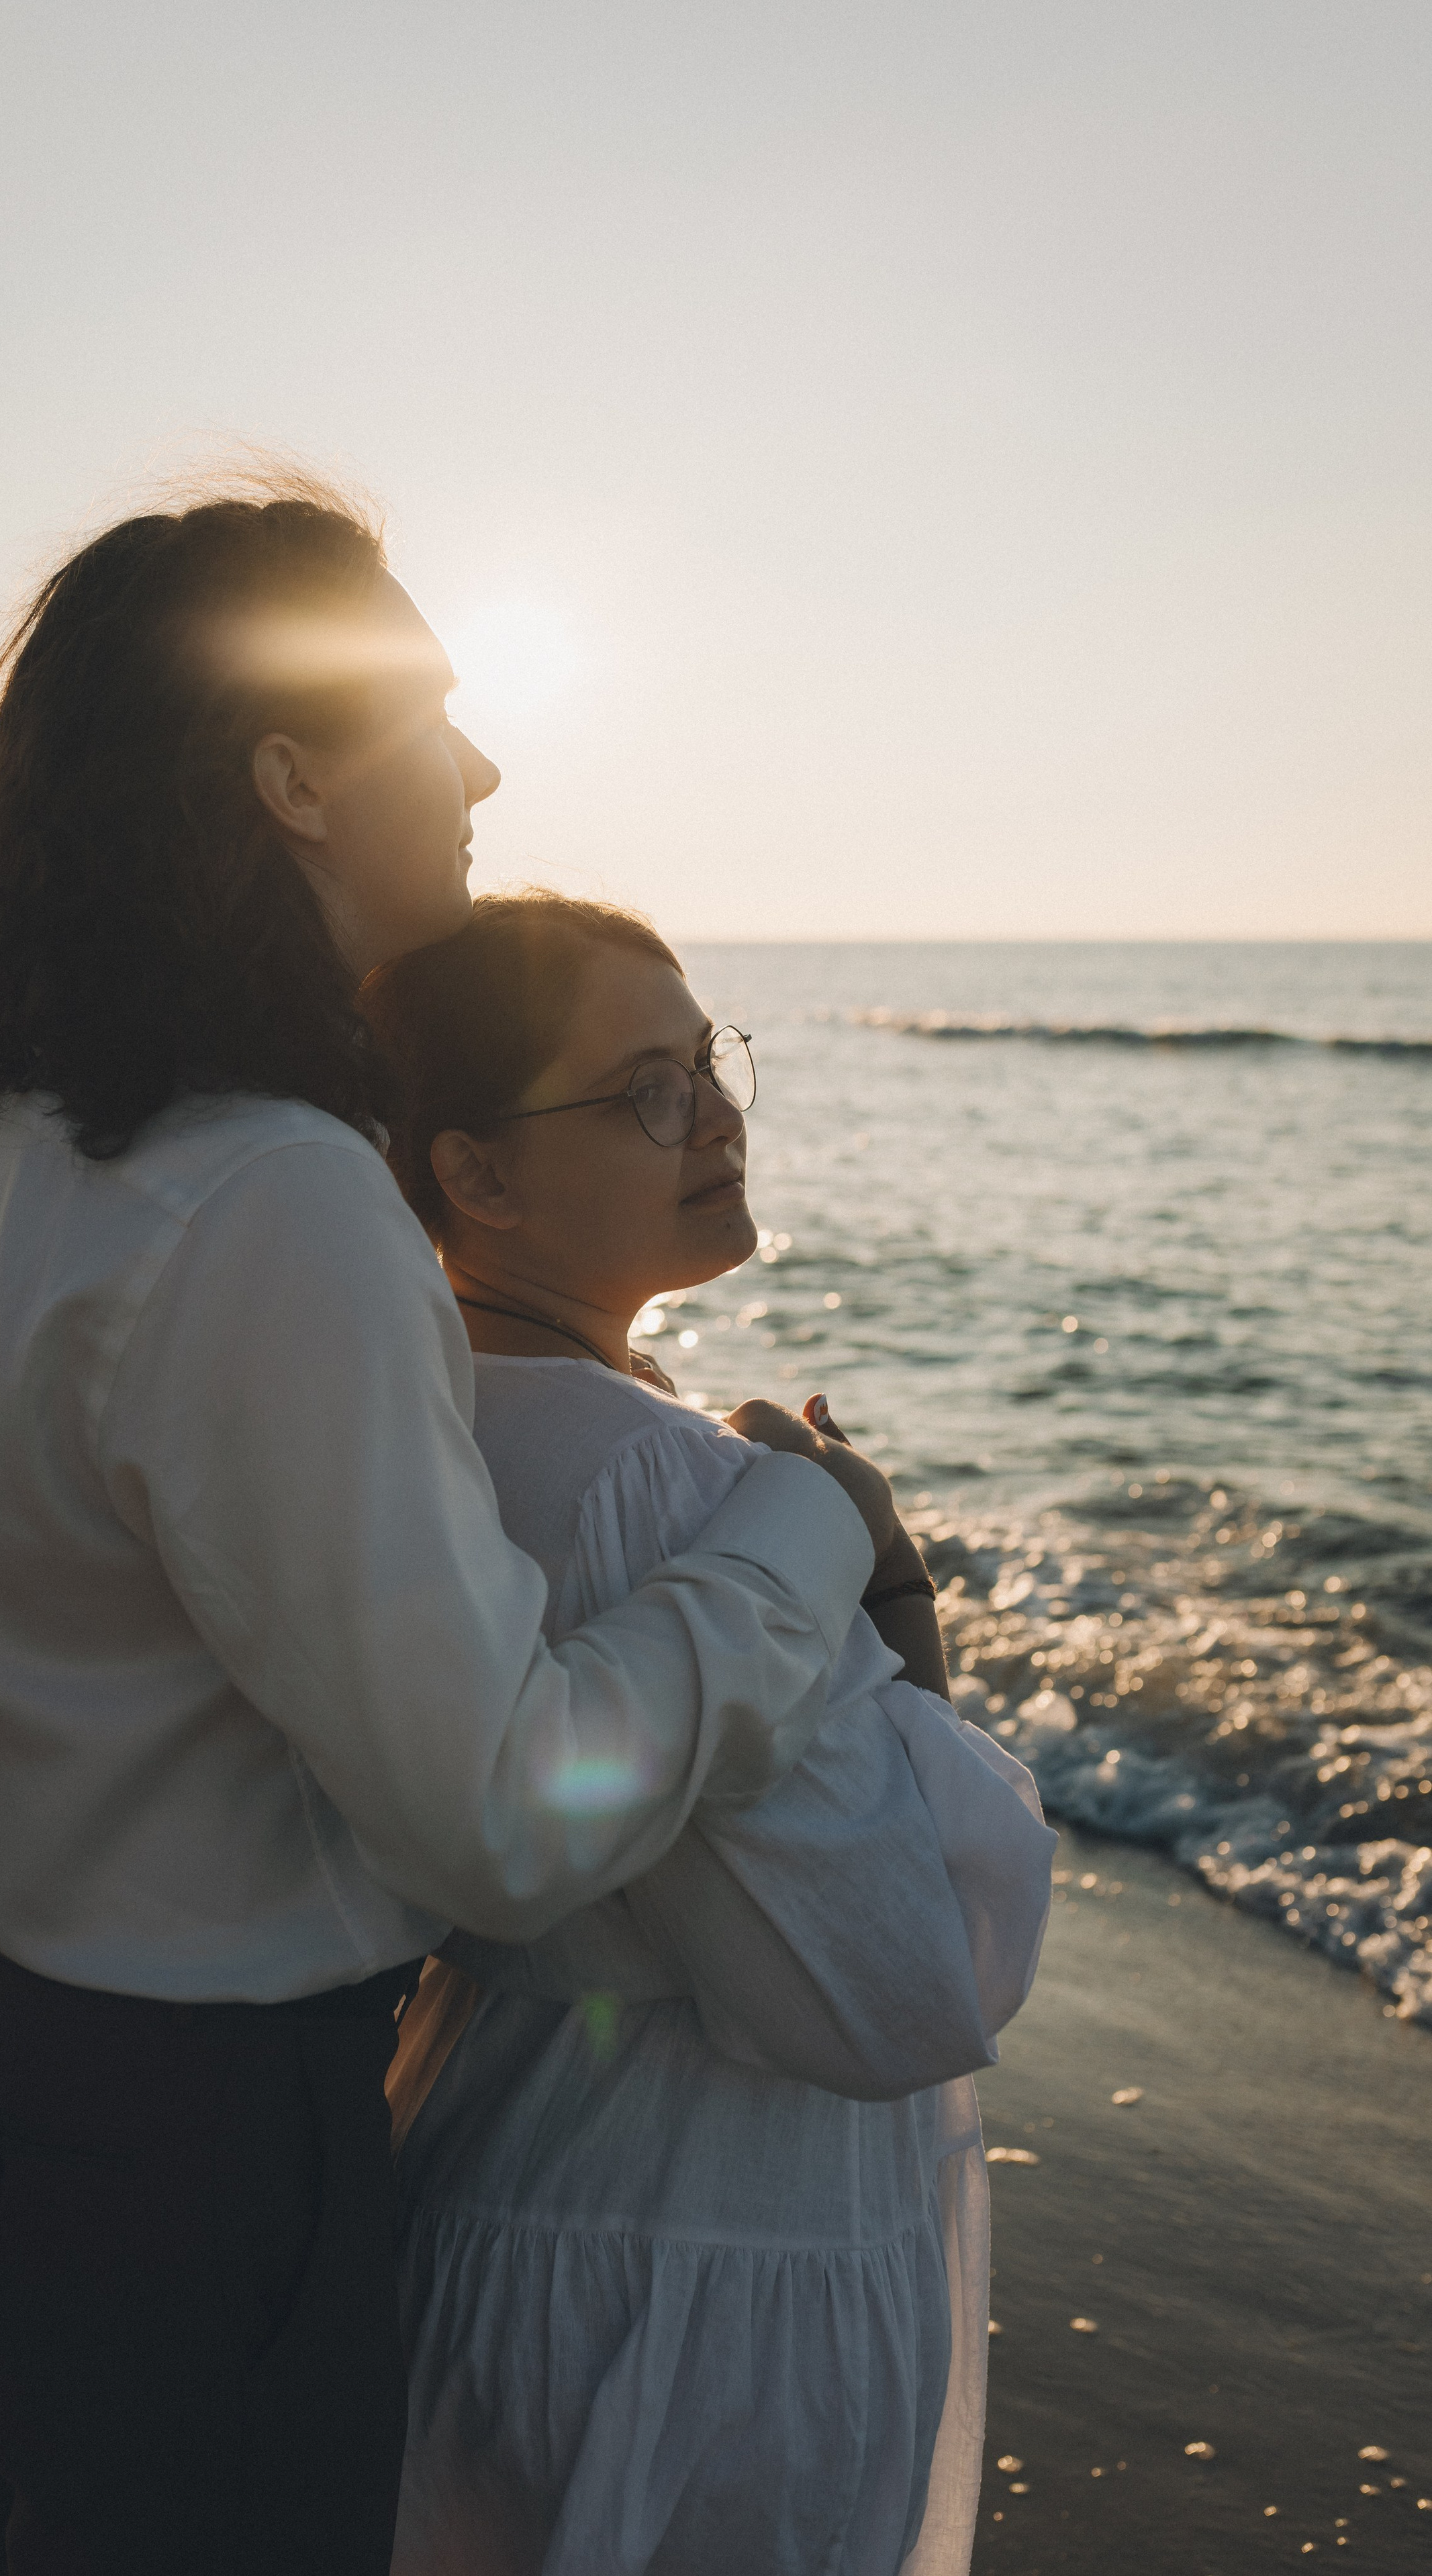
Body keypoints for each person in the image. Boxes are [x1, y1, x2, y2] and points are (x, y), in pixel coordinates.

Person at [0, 476, 898, 2576]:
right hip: (177, 2136)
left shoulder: (54, 1122)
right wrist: (796, 1540)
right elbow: (495, 1813)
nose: (486, 761)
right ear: (292, 774)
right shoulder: (275, 1189)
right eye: (433, 711)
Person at [361, 893, 1056, 2576]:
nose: (718, 1114)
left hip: (503, 2215)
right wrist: (885, 1586)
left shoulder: (412, 1419)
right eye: (643, 1091)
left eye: (708, 1060)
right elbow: (907, 1974)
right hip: (685, 2301)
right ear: (476, 1172)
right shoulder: (666, 1491)